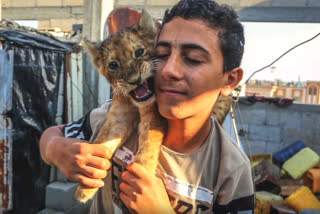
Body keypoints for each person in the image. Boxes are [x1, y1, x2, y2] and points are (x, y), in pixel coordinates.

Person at [40, 0, 255, 213]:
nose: (169, 70)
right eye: (161, 55)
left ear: (230, 80)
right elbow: (53, 135)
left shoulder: (231, 170)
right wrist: (53, 148)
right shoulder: (116, 116)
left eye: (193, 59)